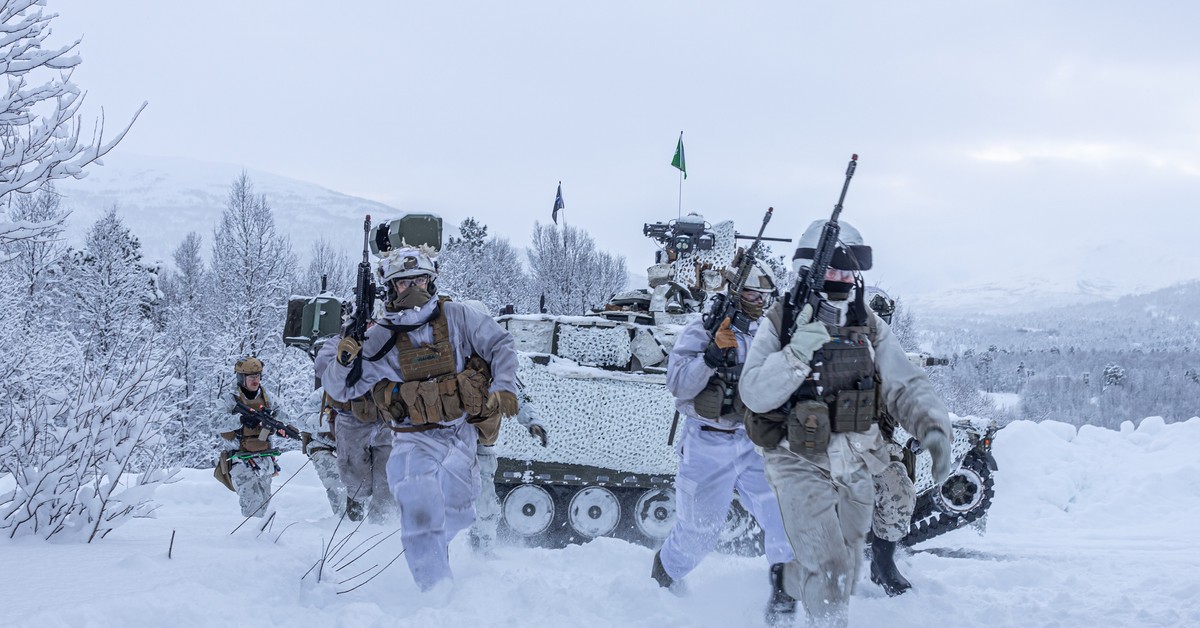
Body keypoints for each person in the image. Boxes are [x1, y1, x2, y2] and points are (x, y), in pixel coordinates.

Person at [739, 220, 953, 627]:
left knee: (847, 566)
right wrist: (795, 356)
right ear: (809, 270)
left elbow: (903, 381)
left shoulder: (866, 321)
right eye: (831, 270)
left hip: (858, 455)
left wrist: (932, 427)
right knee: (833, 568)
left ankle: (787, 580)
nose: (840, 279)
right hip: (796, 456)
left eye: (847, 271)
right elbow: (754, 393)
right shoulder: (781, 320)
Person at [316, 247, 519, 591]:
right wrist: (344, 360)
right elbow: (342, 390)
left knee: (460, 512)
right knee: (419, 508)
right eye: (403, 282)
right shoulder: (380, 336)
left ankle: (434, 552)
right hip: (413, 437)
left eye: (419, 279)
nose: (413, 286)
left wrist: (505, 386)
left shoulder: (456, 317)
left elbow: (500, 344)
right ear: (391, 288)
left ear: (431, 280)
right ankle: (436, 594)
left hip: (459, 434)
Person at [650, 264, 798, 625]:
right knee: (698, 534)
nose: (759, 301)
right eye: (751, 293)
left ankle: (783, 597)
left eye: (764, 295)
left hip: (754, 442)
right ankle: (659, 585)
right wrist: (710, 358)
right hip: (707, 443)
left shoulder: (769, 333)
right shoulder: (702, 329)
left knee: (785, 516)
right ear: (735, 292)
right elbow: (679, 386)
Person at [459, 300, 550, 558]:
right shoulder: (448, 359)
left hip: (481, 446)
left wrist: (533, 422)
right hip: (449, 442)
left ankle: (483, 552)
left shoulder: (495, 362)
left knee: (485, 504)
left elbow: (515, 393)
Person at [216, 356, 294, 518]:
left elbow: (284, 416)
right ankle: (250, 539)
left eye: (258, 376)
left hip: (265, 460)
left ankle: (257, 539)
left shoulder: (268, 398)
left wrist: (278, 425)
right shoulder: (230, 399)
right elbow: (215, 422)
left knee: (264, 505)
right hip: (240, 460)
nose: (255, 380)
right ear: (241, 377)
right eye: (251, 377)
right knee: (253, 507)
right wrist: (240, 419)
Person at [299, 388, 348, 516]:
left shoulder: (366, 387)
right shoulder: (323, 393)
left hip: (354, 447)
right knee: (338, 481)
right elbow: (302, 421)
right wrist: (332, 419)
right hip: (323, 445)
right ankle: (345, 522)